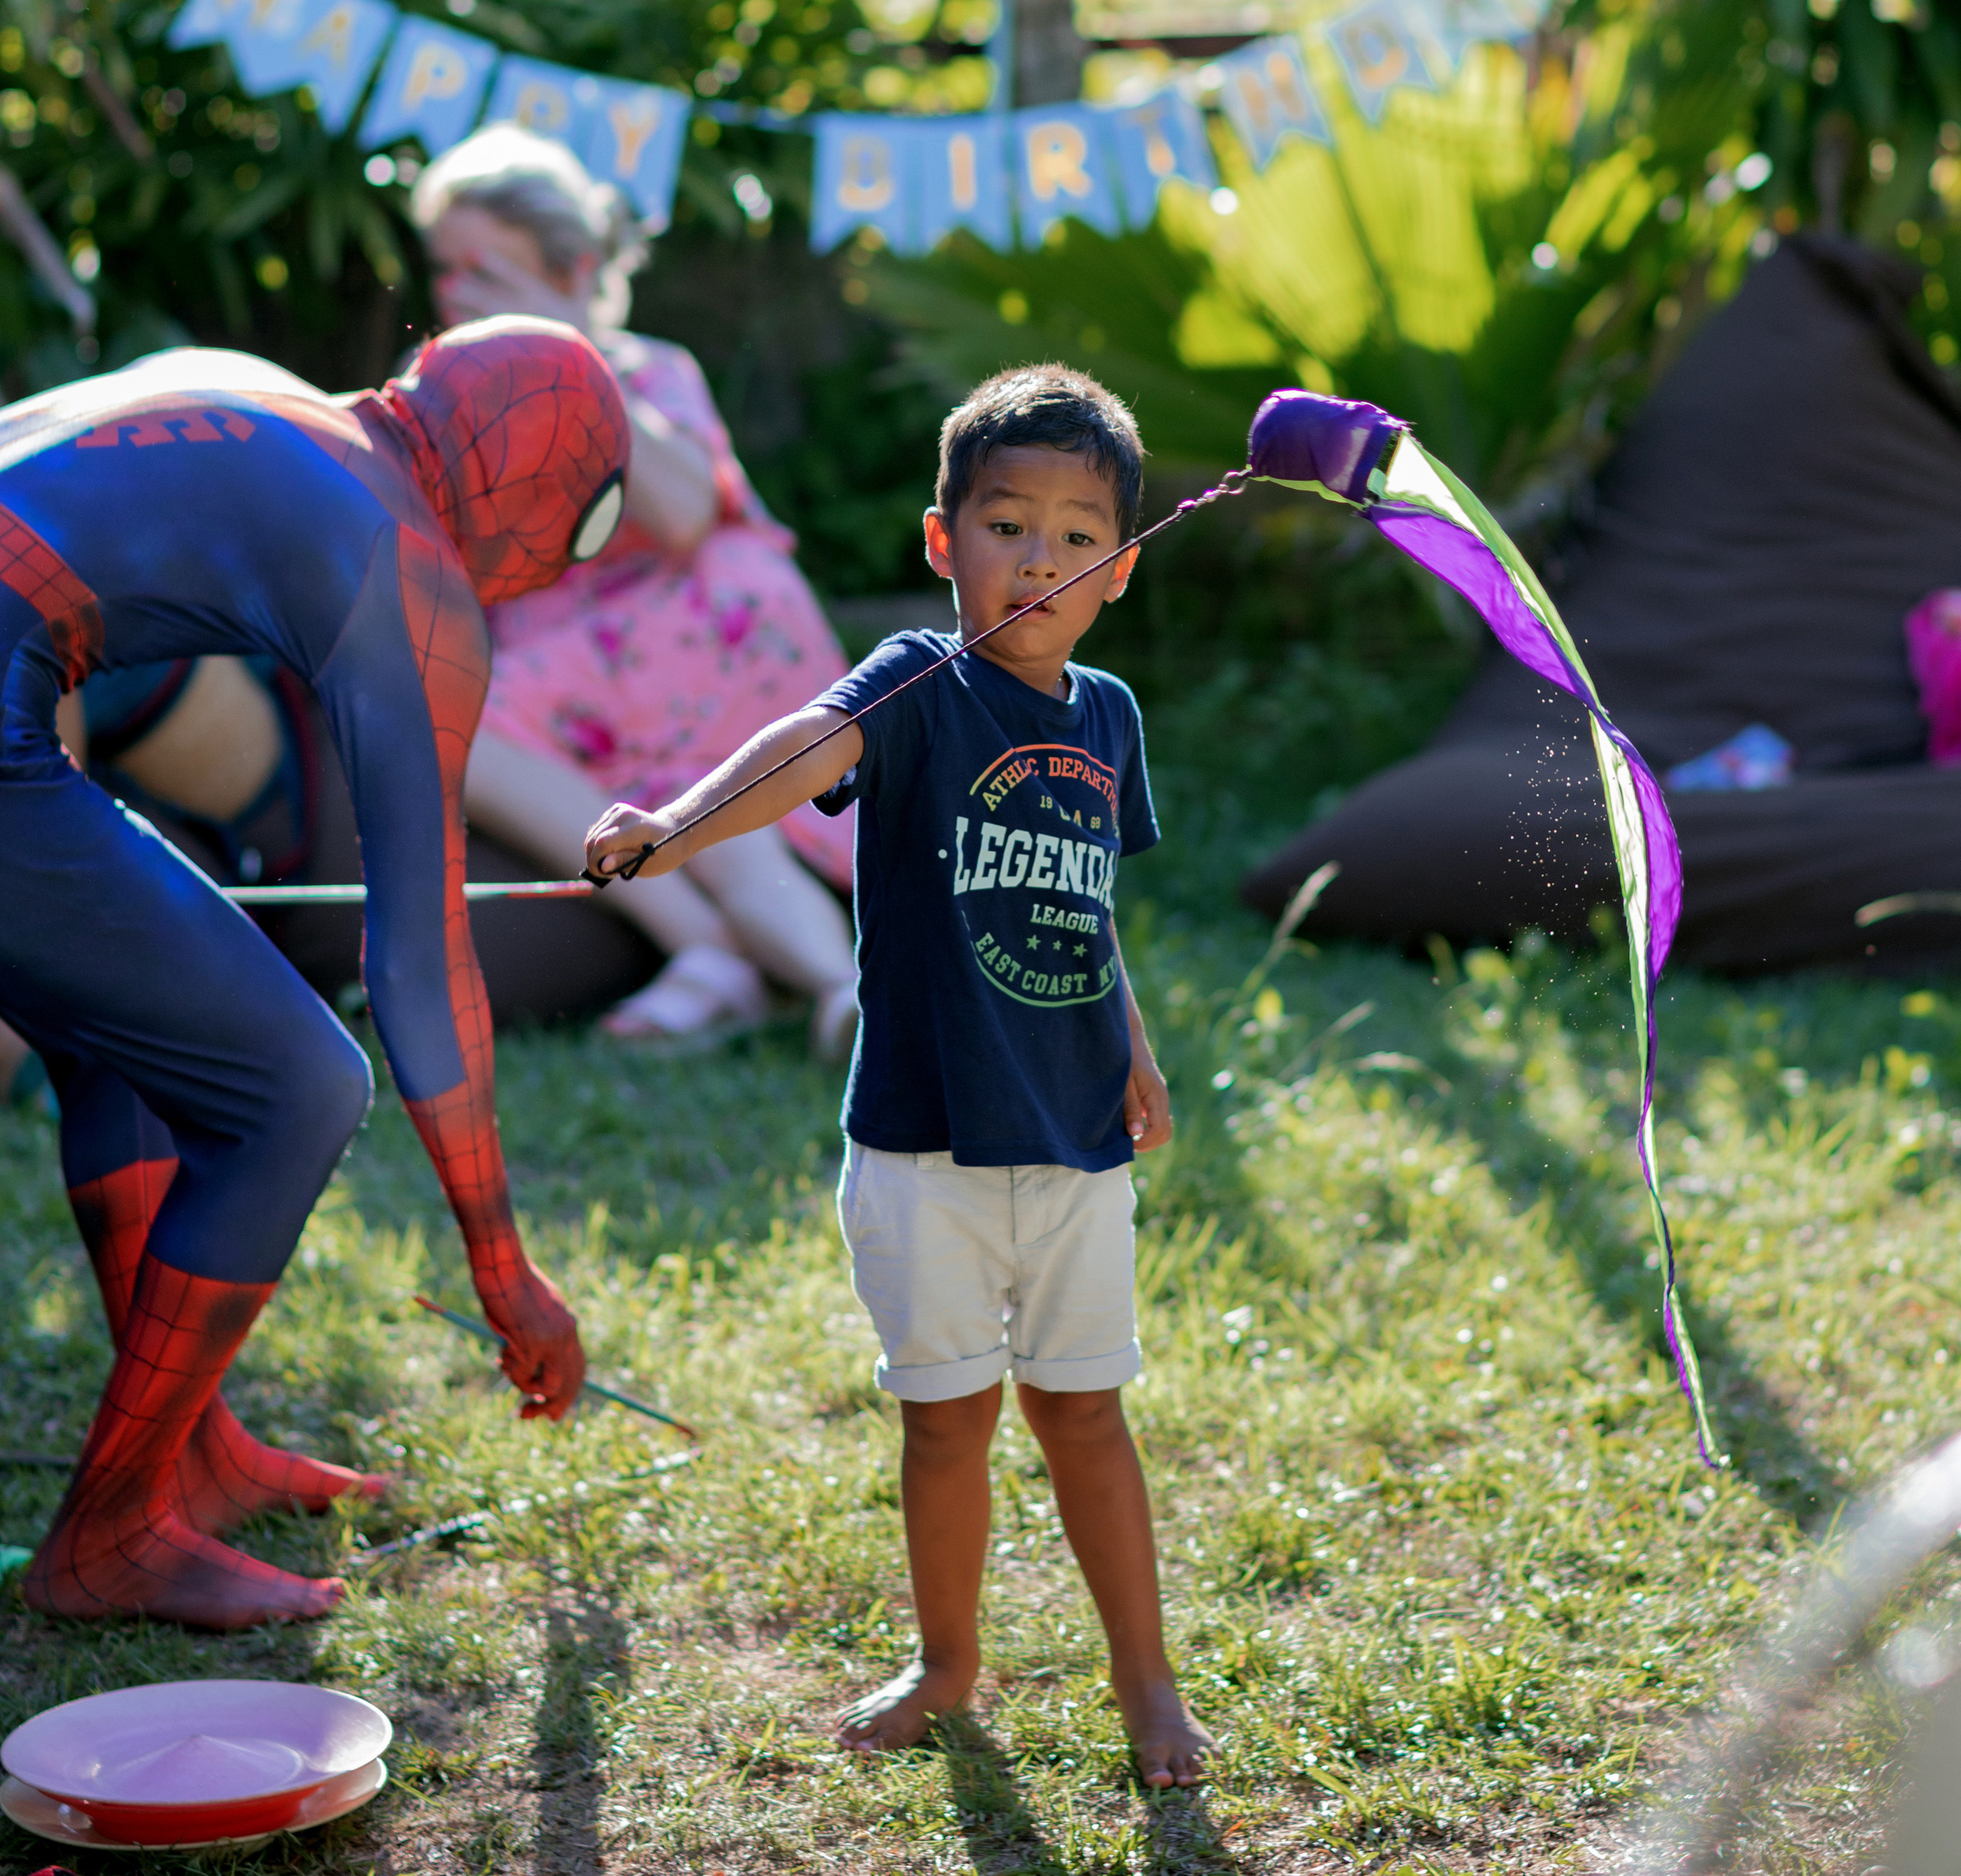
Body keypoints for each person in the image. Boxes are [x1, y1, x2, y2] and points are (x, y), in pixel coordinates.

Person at [586, 364, 1214, 1788]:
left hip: (1073, 1147)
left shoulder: (1107, 717)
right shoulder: (919, 686)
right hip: (923, 1150)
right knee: (948, 1424)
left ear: (1118, 569)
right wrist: (675, 826)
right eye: (1007, 524)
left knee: (1086, 1416)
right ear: (944, 542)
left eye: (1075, 534)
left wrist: (1135, 1049)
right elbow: (804, 748)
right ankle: (946, 1666)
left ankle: (1147, 1682)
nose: (1038, 558)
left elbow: (1084, 907)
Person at [0, 320, 629, 1627]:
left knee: (125, 1030)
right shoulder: (408, 560)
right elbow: (420, 960)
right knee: (297, 1088)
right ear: (537, 503)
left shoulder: (268, 389)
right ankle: (108, 1538)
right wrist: (504, 1267)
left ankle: (198, 1460)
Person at [410, 130, 858, 1057]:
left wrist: (563, 350)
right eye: (444, 271)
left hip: (700, 629)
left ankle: (798, 983)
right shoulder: (452, 396)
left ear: (572, 269)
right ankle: (749, 963)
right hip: (569, 671)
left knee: (731, 820)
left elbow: (685, 511)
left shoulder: (647, 368)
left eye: (483, 270)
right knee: (473, 733)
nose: (455, 295)